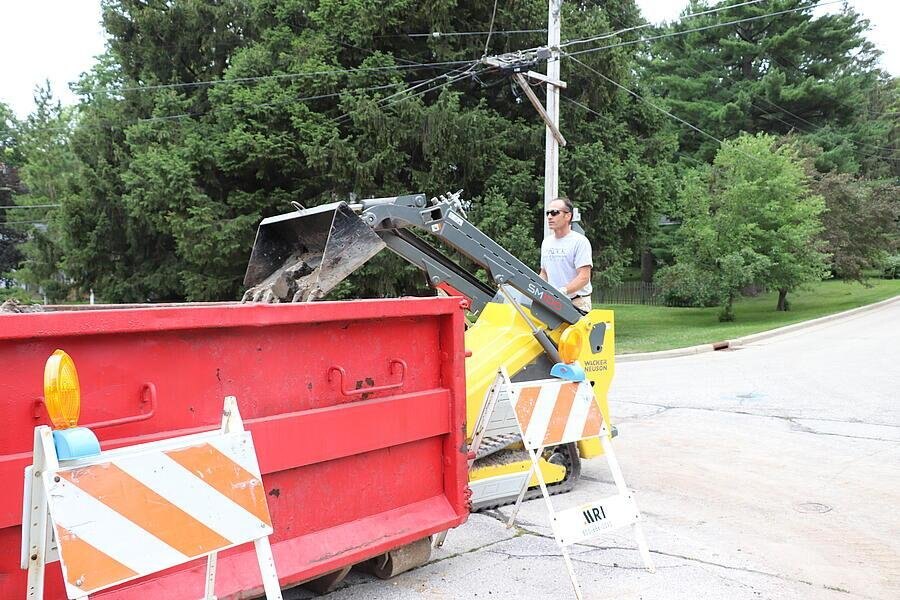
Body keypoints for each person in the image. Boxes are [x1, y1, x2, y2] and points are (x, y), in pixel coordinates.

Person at [540, 197, 593, 312]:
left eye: (554, 213)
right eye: (548, 213)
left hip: (577, 303)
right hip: (553, 303)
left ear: (568, 216)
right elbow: (544, 273)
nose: (549, 217)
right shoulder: (546, 242)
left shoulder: (579, 241)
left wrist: (563, 291)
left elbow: (584, 277)